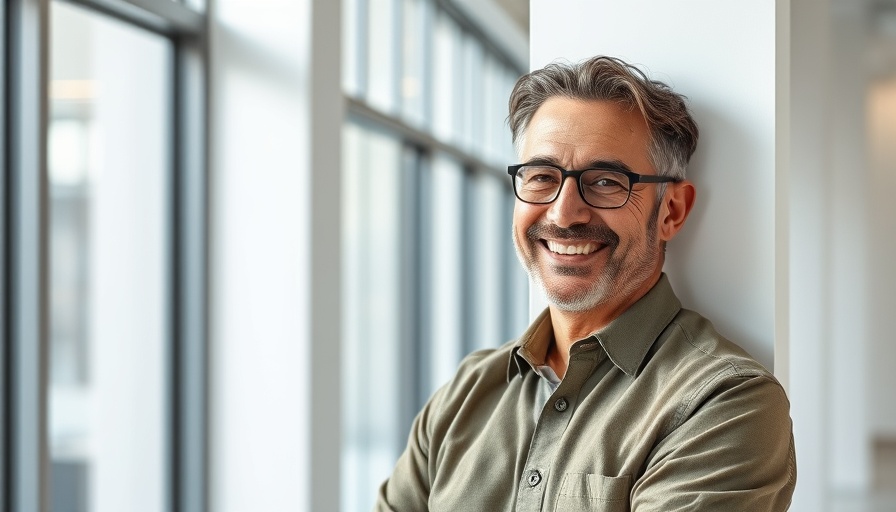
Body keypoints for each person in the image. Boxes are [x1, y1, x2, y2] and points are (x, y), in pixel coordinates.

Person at [376, 56, 796, 511]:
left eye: (606, 181)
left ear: (671, 211)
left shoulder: (725, 402)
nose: (564, 214)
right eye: (542, 177)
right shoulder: (466, 393)